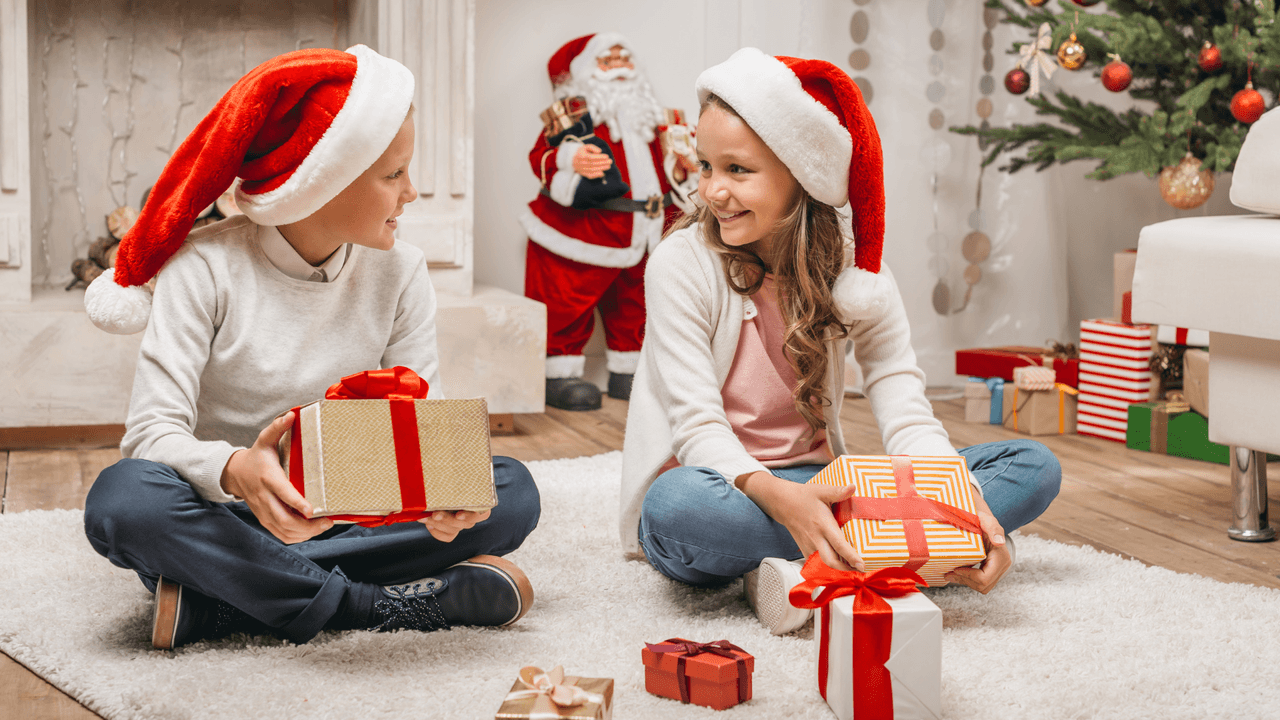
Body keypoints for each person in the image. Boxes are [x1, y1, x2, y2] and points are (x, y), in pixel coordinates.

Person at [81, 46, 541, 650]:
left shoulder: (401, 271)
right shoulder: (202, 268)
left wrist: (444, 491)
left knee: (510, 490)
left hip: (355, 510)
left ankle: (228, 601)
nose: (413, 193)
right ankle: (373, 605)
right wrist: (238, 471)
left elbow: (423, 415)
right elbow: (150, 434)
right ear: (321, 185)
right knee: (124, 502)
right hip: (232, 514)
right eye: (394, 175)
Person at [619, 48, 1061, 635]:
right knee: (675, 511)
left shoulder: (856, 272)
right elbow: (697, 429)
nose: (711, 192)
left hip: (821, 484)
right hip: (719, 485)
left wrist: (968, 508)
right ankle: (879, 552)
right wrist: (791, 501)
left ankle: (807, 563)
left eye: (738, 170)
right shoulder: (681, 263)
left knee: (1032, 466)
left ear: (800, 173)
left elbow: (903, 401)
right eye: (705, 166)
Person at [520, 32, 698, 411]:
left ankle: (628, 371)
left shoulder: (654, 119)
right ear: (587, 72)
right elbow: (541, 157)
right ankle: (559, 374)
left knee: (638, 303)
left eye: (625, 58)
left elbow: (673, 169)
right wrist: (571, 158)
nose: (619, 67)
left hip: (647, 229)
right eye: (608, 60)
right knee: (567, 302)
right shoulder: (575, 120)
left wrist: (684, 170)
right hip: (585, 230)